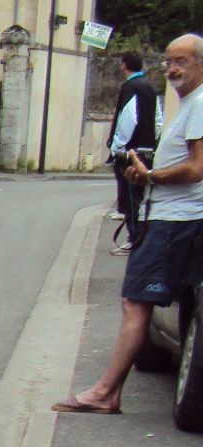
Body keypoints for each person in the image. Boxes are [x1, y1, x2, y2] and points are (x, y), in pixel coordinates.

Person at [55, 34, 203, 416]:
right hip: (168, 215)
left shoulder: (200, 103)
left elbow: (197, 168)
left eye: (181, 61)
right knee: (136, 303)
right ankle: (108, 391)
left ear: (200, 64)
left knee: (135, 303)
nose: (172, 68)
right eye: (169, 61)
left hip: (175, 220)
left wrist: (150, 175)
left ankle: (106, 392)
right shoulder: (189, 103)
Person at [108, 52, 161, 254]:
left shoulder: (129, 87)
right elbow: (158, 118)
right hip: (148, 149)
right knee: (143, 197)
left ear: (124, 66)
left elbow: (128, 118)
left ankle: (133, 239)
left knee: (132, 197)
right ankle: (141, 238)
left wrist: (118, 147)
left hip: (132, 151)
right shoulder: (151, 86)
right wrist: (154, 140)